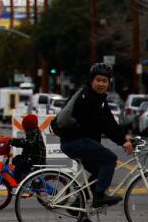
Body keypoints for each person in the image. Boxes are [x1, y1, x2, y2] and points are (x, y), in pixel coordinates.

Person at [55, 62, 134, 208]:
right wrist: (122, 141)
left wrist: (125, 138)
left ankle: (78, 205)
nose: (101, 84)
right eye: (98, 80)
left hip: (75, 142)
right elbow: (106, 126)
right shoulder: (89, 98)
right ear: (91, 81)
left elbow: (110, 122)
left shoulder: (98, 99)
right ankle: (99, 197)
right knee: (110, 159)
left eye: (105, 81)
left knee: (100, 171)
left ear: (109, 83)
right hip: (75, 141)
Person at [10, 113, 46, 182]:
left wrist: (14, 142)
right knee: (16, 160)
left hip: (37, 159)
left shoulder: (34, 132)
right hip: (32, 157)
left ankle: (21, 184)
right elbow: (27, 143)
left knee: (19, 167)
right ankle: (25, 181)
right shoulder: (32, 131)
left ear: (28, 125)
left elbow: (28, 143)